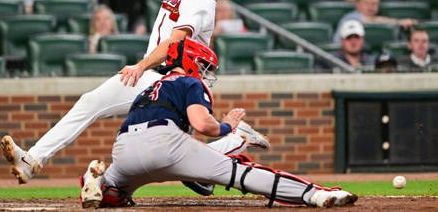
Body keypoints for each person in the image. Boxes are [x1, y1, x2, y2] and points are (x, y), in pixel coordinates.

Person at [0, 0, 269, 190]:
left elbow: (174, 42)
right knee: (90, 102)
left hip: (172, 80)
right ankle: (32, 160)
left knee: (187, 164)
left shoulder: (201, 2)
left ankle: (237, 138)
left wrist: (141, 66)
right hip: (155, 74)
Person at [79, 37, 358, 209]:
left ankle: (101, 183)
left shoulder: (146, 89)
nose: (204, 73)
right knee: (241, 174)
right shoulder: (189, 81)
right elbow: (203, 125)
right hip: (165, 144)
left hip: (124, 148)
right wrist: (226, 126)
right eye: (202, 66)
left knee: (115, 193)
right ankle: (315, 195)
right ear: (190, 62)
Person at [332, 0, 418, 43]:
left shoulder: (377, 19)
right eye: (366, 3)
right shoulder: (350, 17)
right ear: (357, 4)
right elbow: (369, 20)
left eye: (374, 4)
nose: (370, 7)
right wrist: (398, 22)